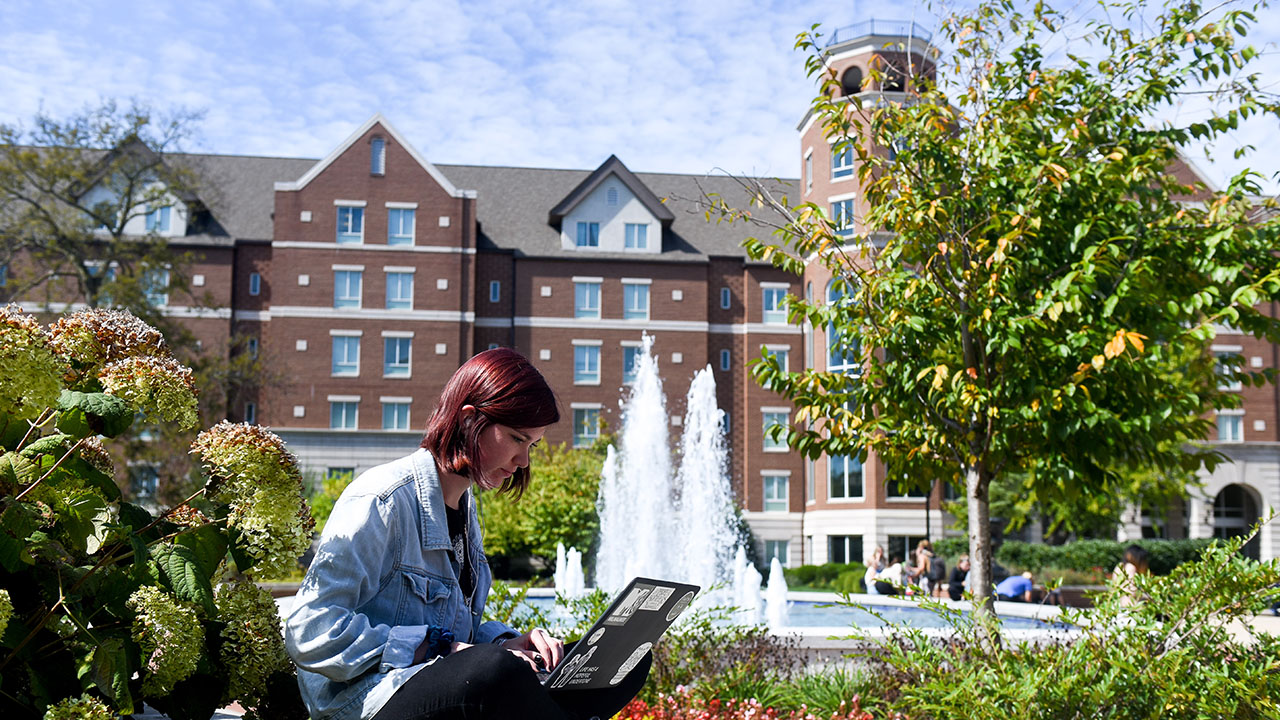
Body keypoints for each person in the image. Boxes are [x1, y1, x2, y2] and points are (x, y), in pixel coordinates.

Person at [285, 348, 650, 720]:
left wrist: (509, 642)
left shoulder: (465, 509)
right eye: (516, 439)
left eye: (532, 445)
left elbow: (461, 635)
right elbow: (310, 629)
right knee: (496, 672)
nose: (524, 461)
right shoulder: (382, 499)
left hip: (437, 686)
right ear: (468, 420)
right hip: (368, 699)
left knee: (620, 662)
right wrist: (436, 648)